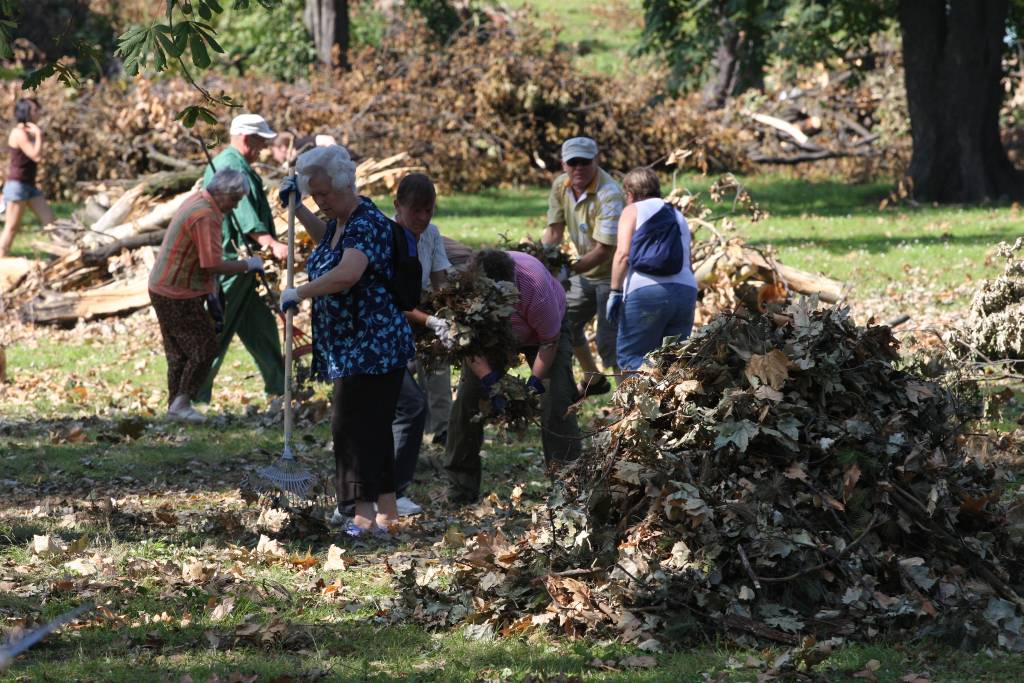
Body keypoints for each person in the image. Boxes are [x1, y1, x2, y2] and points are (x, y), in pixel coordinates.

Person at [279, 144, 416, 538]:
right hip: (351, 345)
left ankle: (361, 516)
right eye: (314, 194)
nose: (320, 201)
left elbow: (347, 274)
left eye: (324, 194)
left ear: (345, 185)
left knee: (351, 428)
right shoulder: (342, 222)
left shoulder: (366, 223)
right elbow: (329, 243)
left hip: (372, 344)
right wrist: (298, 210)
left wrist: (299, 292)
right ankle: (386, 515)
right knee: (371, 428)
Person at [444, 249, 581, 504]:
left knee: (558, 399)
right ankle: (460, 489)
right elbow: (468, 344)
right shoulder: (467, 288)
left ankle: (569, 486)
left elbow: (549, 343)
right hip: (493, 336)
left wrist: (534, 383)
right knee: (468, 400)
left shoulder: (535, 288)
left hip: (543, 336)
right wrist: (488, 380)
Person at [148, 169, 264, 422]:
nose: (235, 206)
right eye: (234, 200)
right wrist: (248, 264)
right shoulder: (205, 215)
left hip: (162, 285)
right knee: (205, 348)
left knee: (179, 352)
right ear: (222, 192)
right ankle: (181, 404)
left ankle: (175, 408)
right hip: (178, 291)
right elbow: (211, 264)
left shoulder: (198, 200)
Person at [196, 113, 288, 404]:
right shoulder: (231, 165)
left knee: (262, 329)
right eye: (261, 142)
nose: (263, 148)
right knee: (216, 332)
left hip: (247, 266)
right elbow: (243, 214)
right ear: (246, 138)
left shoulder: (236, 162)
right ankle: (191, 394)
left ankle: (280, 387)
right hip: (231, 263)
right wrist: (271, 243)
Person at [542, 136, 624, 398]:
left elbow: (604, 250)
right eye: (572, 162)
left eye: (584, 162)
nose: (578, 168)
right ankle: (593, 379)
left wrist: (568, 270)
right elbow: (554, 231)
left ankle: (628, 405)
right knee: (562, 320)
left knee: (610, 342)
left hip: (614, 276)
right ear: (563, 164)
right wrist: (544, 259)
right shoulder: (561, 185)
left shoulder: (610, 194)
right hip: (586, 272)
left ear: (596, 161)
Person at [606, 167, 698, 373]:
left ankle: (641, 394)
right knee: (674, 362)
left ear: (630, 193)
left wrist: (615, 291)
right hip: (685, 292)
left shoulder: (632, 210)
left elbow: (622, 254)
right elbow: (688, 261)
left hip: (646, 292)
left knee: (631, 358)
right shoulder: (677, 214)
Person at [0, 98, 55, 258]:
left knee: (51, 222)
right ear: (26, 112)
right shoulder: (18, 133)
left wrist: (36, 135)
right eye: (35, 110)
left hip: (29, 186)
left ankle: (61, 255)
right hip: (17, 187)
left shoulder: (28, 132)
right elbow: (36, 156)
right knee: (12, 227)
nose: (39, 113)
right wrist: (39, 135)